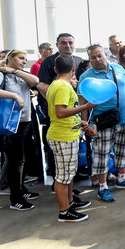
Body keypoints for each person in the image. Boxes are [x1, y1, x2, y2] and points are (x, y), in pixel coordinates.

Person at [79, 45, 125, 203]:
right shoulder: (86, 76)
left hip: (123, 118)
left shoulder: (118, 68)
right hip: (101, 122)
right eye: (93, 57)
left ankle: (122, 178)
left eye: (100, 56)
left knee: (123, 151)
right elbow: (82, 101)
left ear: (105, 54)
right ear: (90, 59)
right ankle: (103, 186)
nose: (98, 59)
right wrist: (86, 124)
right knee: (102, 156)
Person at [0, 50, 41, 211]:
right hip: (10, 124)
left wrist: (16, 72)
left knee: (22, 159)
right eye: (21, 58)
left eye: (25, 59)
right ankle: (15, 198)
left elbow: (35, 81)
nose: (24, 62)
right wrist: (14, 96)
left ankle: (21, 190)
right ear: (10, 58)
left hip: (25, 122)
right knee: (15, 161)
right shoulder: (0, 73)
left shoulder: (19, 74)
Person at [46, 55, 95, 223]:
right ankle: (64, 211)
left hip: (66, 134)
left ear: (55, 69)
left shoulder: (57, 85)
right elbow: (60, 112)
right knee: (63, 176)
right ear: (73, 69)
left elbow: (63, 112)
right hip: (63, 136)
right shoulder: (63, 87)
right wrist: (85, 107)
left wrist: (81, 122)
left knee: (68, 173)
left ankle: (70, 202)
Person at [37, 33, 83, 179]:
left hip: (75, 113)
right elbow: (41, 85)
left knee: (72, 153)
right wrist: (57, 100)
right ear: (57, 45)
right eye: (63, 43)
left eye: (70, 43)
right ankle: (57, 178)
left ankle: (73, 176)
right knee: (58, 158)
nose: (67, 46)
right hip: (58, 115)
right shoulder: (49, 62)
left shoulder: (79, 61)